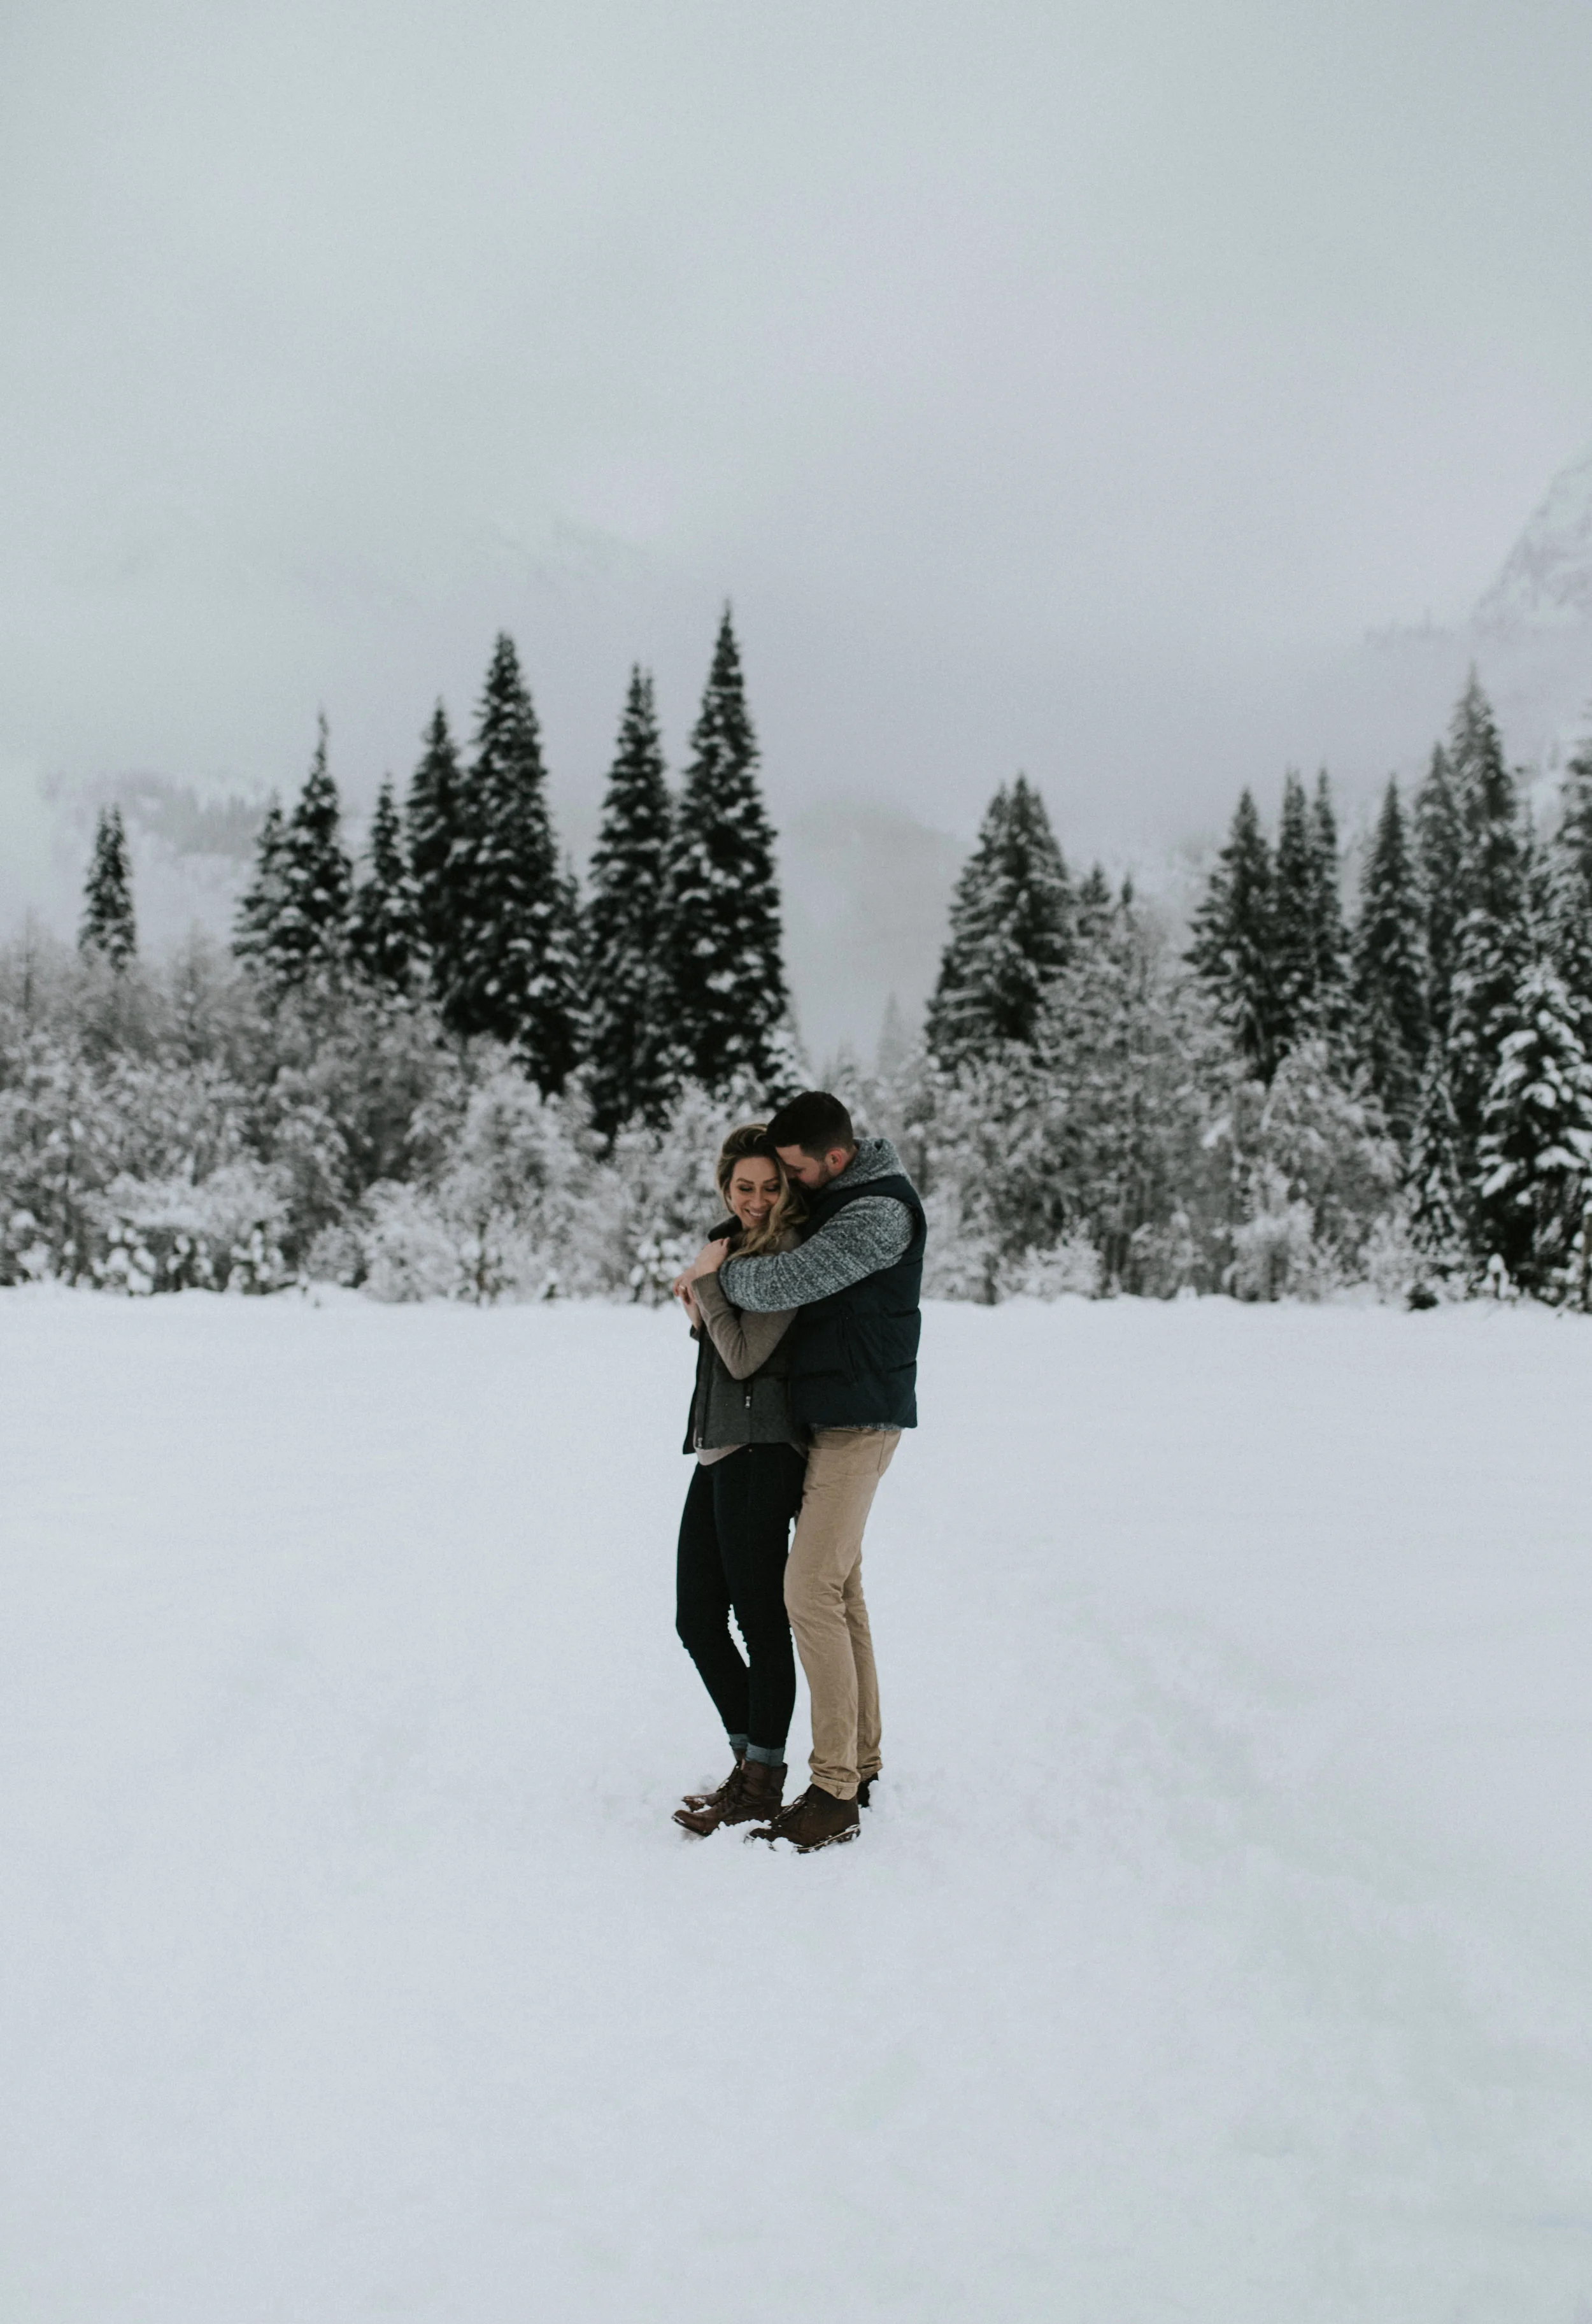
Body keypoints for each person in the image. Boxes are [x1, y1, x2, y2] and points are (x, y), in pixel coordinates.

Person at [676, 1091, 925, 1853]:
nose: (779, 1188)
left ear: (833, 1159)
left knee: (805, 1590)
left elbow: (778, 1284)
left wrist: (712, 1276)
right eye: (757, 1179)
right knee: (840, 1592)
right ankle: (864, 1760)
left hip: (858, 1418)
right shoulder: (841, 1194)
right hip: (829, 1416)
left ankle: (834, 1789)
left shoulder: (876, 1211)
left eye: (788, 1173)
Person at [671, 1124, 809, 1837]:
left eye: (768, 1186)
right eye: (743, 1186)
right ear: (726, 1186)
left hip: (763, 1450)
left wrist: (706, 1286)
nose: (755, 1199)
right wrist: (701, 1305)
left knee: (760, 1619)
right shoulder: (731, 1246)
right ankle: (746, 1765)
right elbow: (725, 1348)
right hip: (723, 1447)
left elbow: (750, 1358)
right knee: (696, 1616)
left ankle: (763, 1778)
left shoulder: (784, 1252)